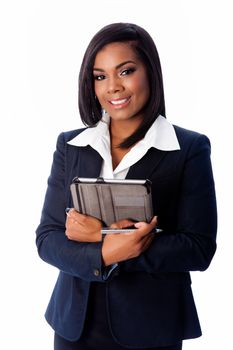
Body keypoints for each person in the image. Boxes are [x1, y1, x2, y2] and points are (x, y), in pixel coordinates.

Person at [36, 22, 217, 350]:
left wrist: (100, 237)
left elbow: (199, 248)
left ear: (150, 71)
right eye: (100, 76)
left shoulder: (188, 149)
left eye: (126, 71)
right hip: (76, 324)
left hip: (151, 325)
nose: (113, 87)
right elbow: (47, 238)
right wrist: (106, 250)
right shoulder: (71, 146)